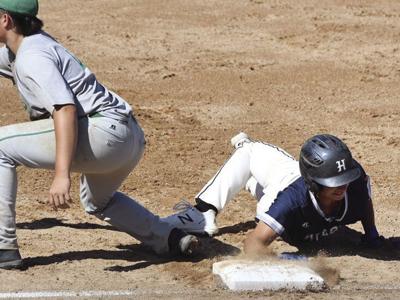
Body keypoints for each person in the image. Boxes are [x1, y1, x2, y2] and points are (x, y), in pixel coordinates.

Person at [0, 0, 197, 269]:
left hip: (101, 134)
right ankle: (170, 238)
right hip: (129, 138)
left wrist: (61, 175)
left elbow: (65, 109)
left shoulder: (32, 57)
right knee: (97, 202)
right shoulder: (30, 46)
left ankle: (4, 245)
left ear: (6, 20)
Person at [162, 132, 386, 256]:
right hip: (285, 181)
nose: (342, 186)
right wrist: (281, 265)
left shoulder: (352, 183)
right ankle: (205, 210)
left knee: (249, 152)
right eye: (333, 182)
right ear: (314, 183)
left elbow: (364, 202)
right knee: (248, 150)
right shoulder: (291, 201)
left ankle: (212, 204)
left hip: (282, 185)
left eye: (345, 179)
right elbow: (254, 244)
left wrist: (372, 235)